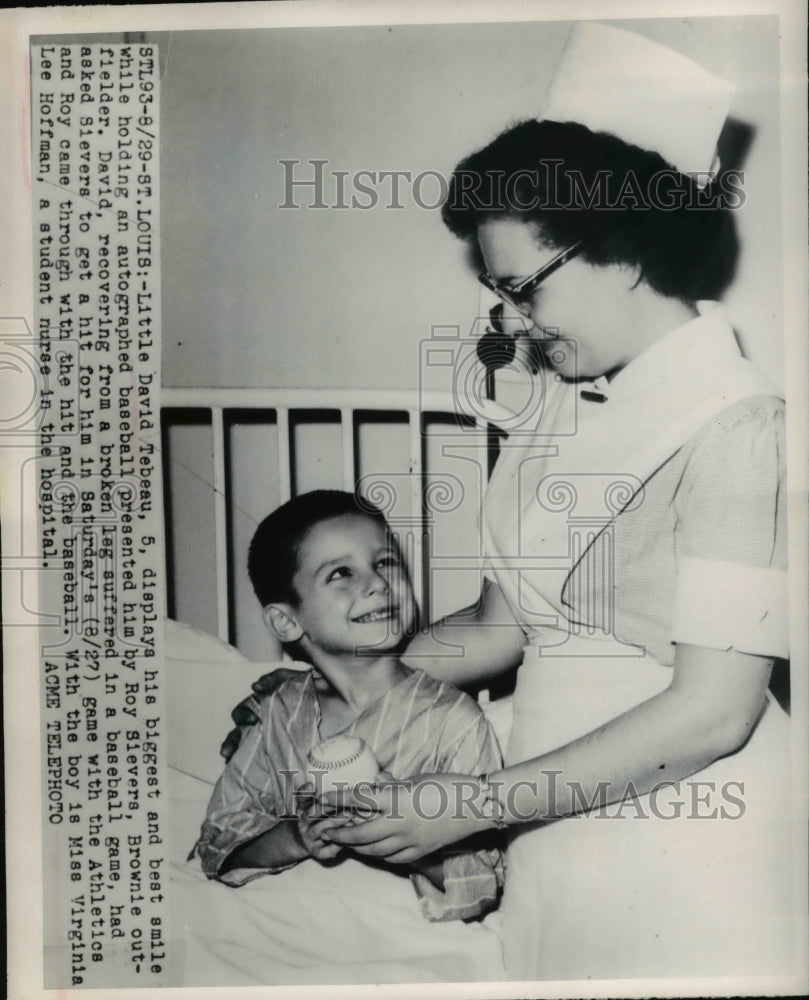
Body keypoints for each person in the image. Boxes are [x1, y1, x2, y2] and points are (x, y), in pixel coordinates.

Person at [306, 25, 794, 981]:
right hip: (548, 822)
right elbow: (505, 624)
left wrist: (474, 803)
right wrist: (342, 680)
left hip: (688, 836)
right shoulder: (561, 400)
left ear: (622, 249)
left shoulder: (738, 426)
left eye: (523, 290)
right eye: (501, 298)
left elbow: (712, 714)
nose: (514, 326)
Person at [196, 489, 504, 926]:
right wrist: (293, 838)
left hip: (398, 937)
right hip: (290, 931)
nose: (377, 582)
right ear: (286, 621)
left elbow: (482, 882)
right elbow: (216, 843)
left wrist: (401, 838)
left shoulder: (454, 723)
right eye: (341, 572)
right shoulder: (276, 715)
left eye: (385, 562)